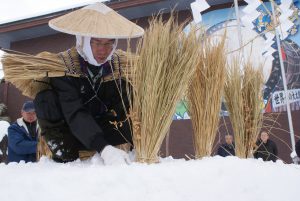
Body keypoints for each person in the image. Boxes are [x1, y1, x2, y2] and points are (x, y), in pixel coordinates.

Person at [34, 3, 144, 164]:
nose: (103, 50)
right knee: (45, 99)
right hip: (71, 133)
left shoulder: (119, 68)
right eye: (97, 42)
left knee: (132, 91)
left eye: (109, 43)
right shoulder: (64, 67)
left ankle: (130, 150)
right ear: (83, 41)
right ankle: (65, 154)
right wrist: (104, 148)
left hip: (105, 131)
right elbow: (74, 111)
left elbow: (123, 110)